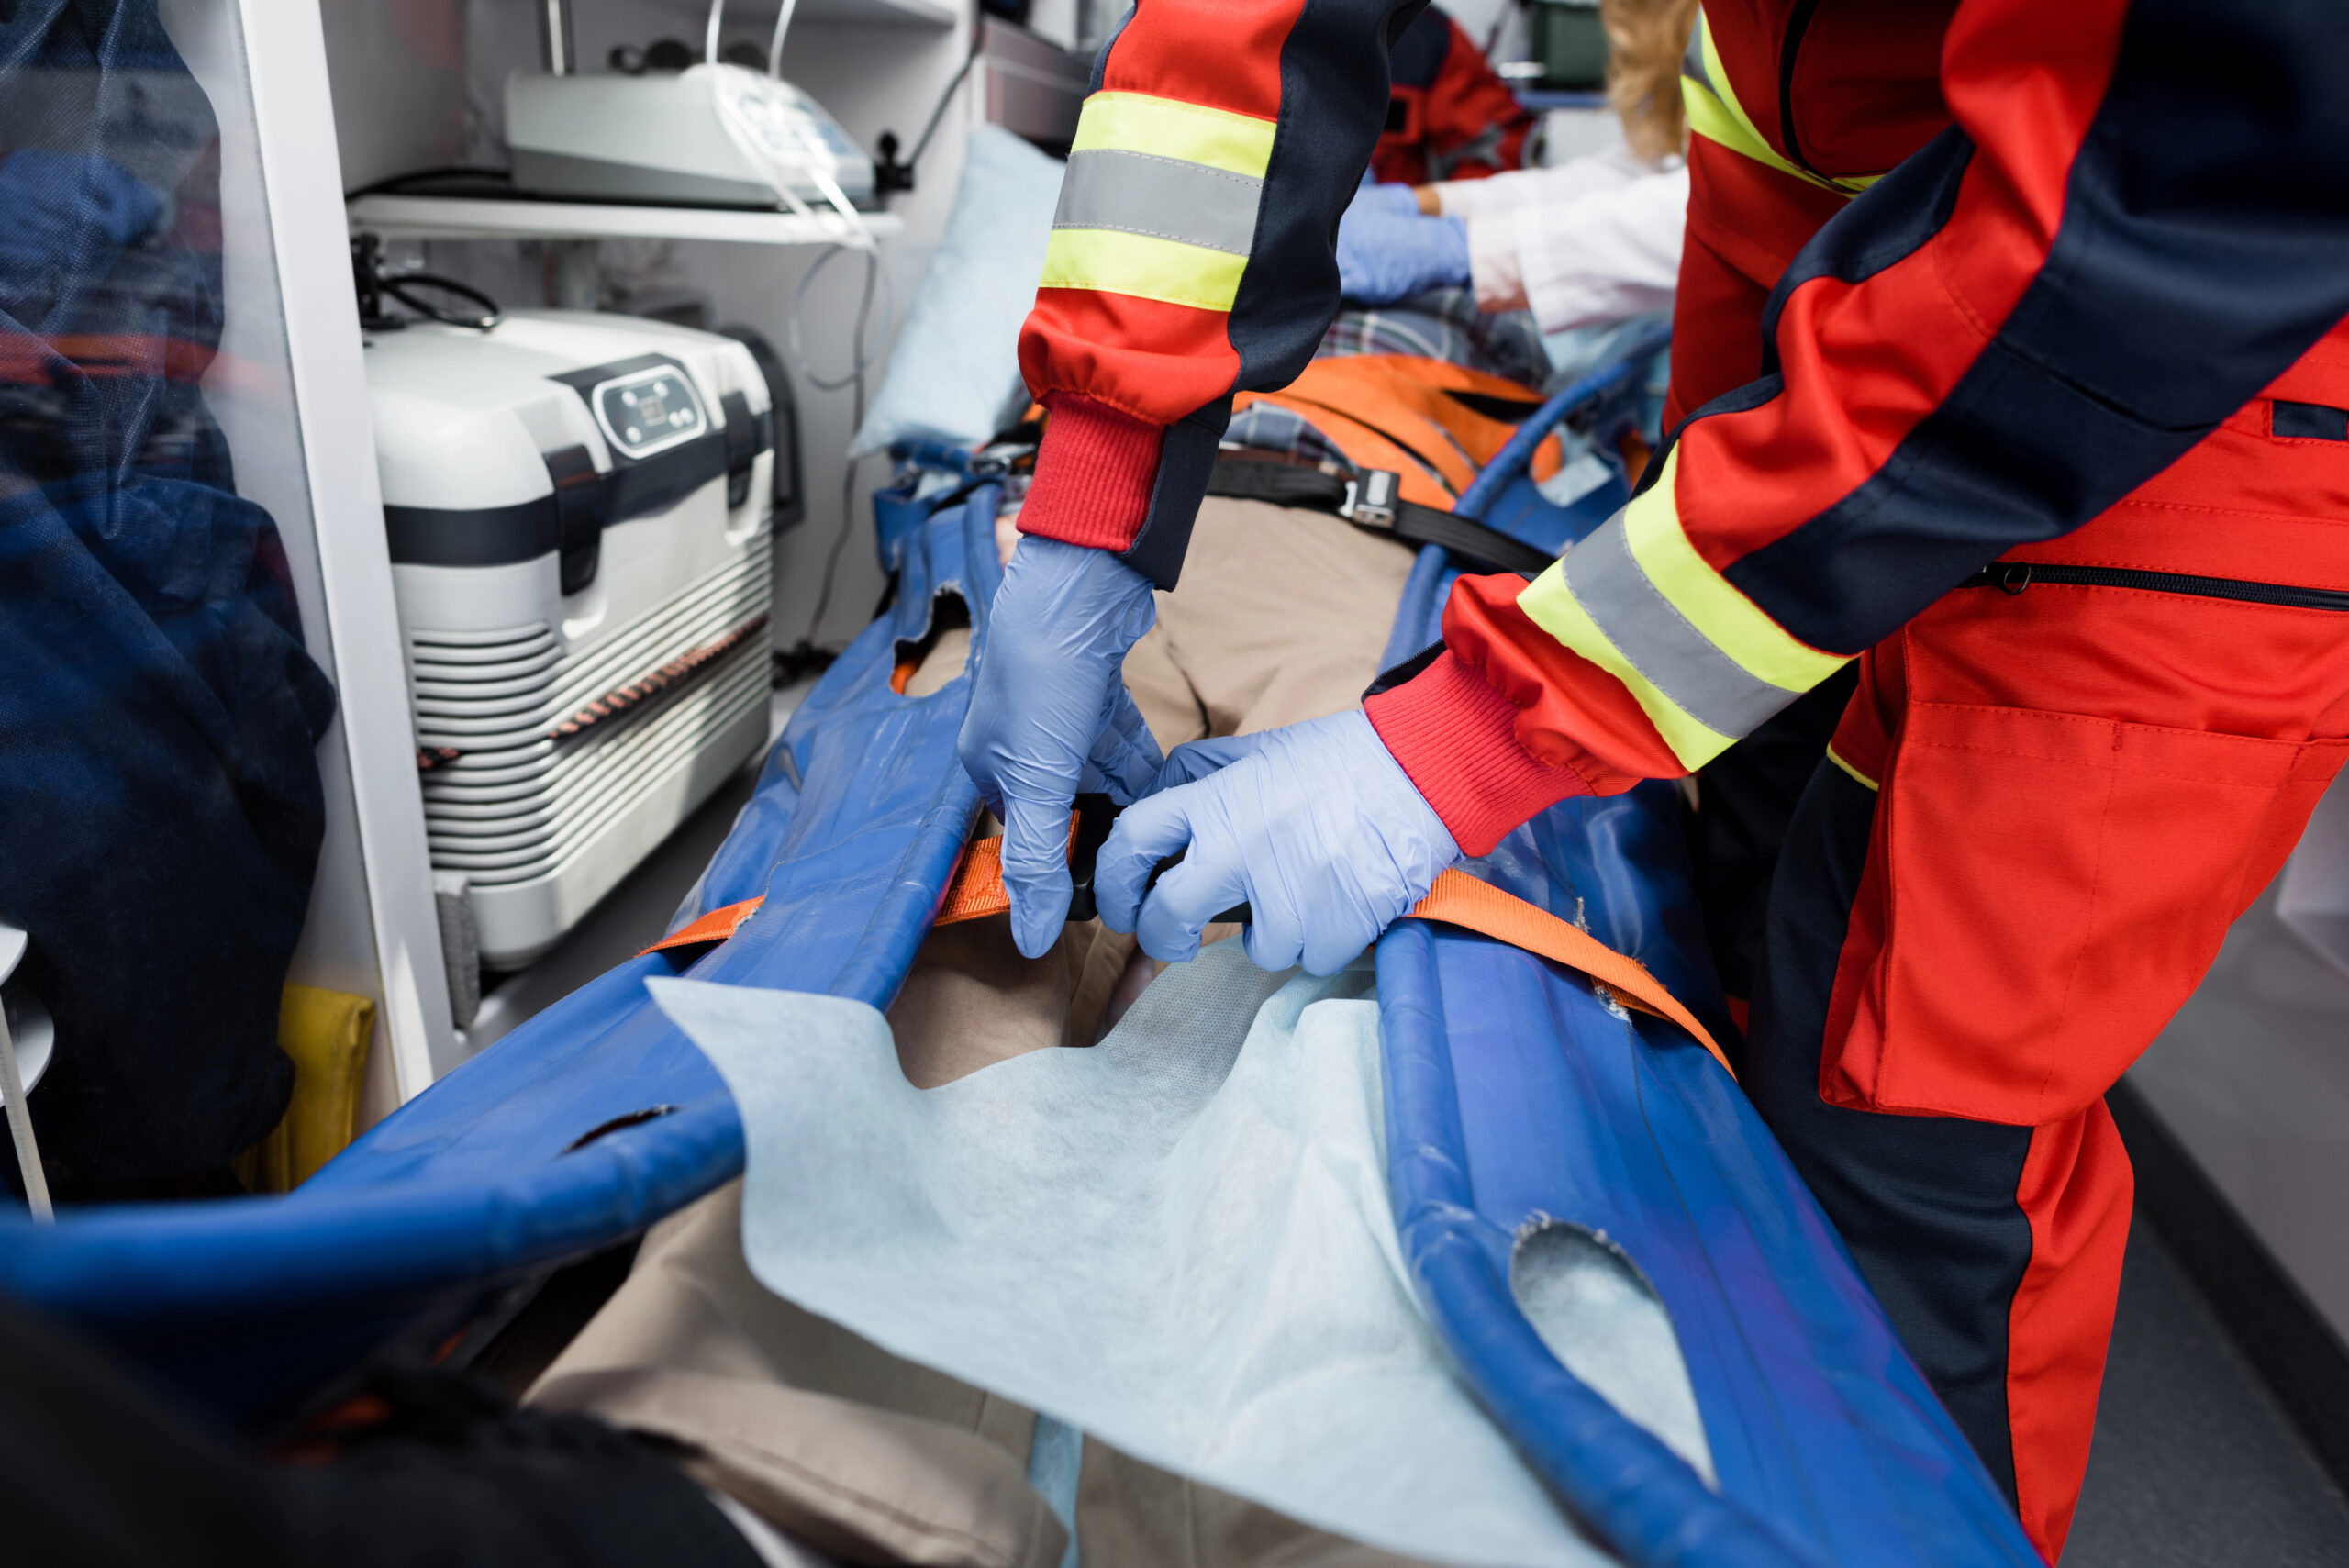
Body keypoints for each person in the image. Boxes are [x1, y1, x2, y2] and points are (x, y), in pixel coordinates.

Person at [957, 0, 2349, 1557]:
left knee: (1911, 1142)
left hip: (2162, 414)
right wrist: (1090, 492)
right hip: (1793, 362)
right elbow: (1241, 45)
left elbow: (2135, 212)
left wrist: (1474, 731)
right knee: (1743, 937)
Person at [1335, 0, 1693, 339]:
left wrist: (1457, 248)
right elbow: (1637, 177)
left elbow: (1701, 212)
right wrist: (1421, 204)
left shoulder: (1424, 36)